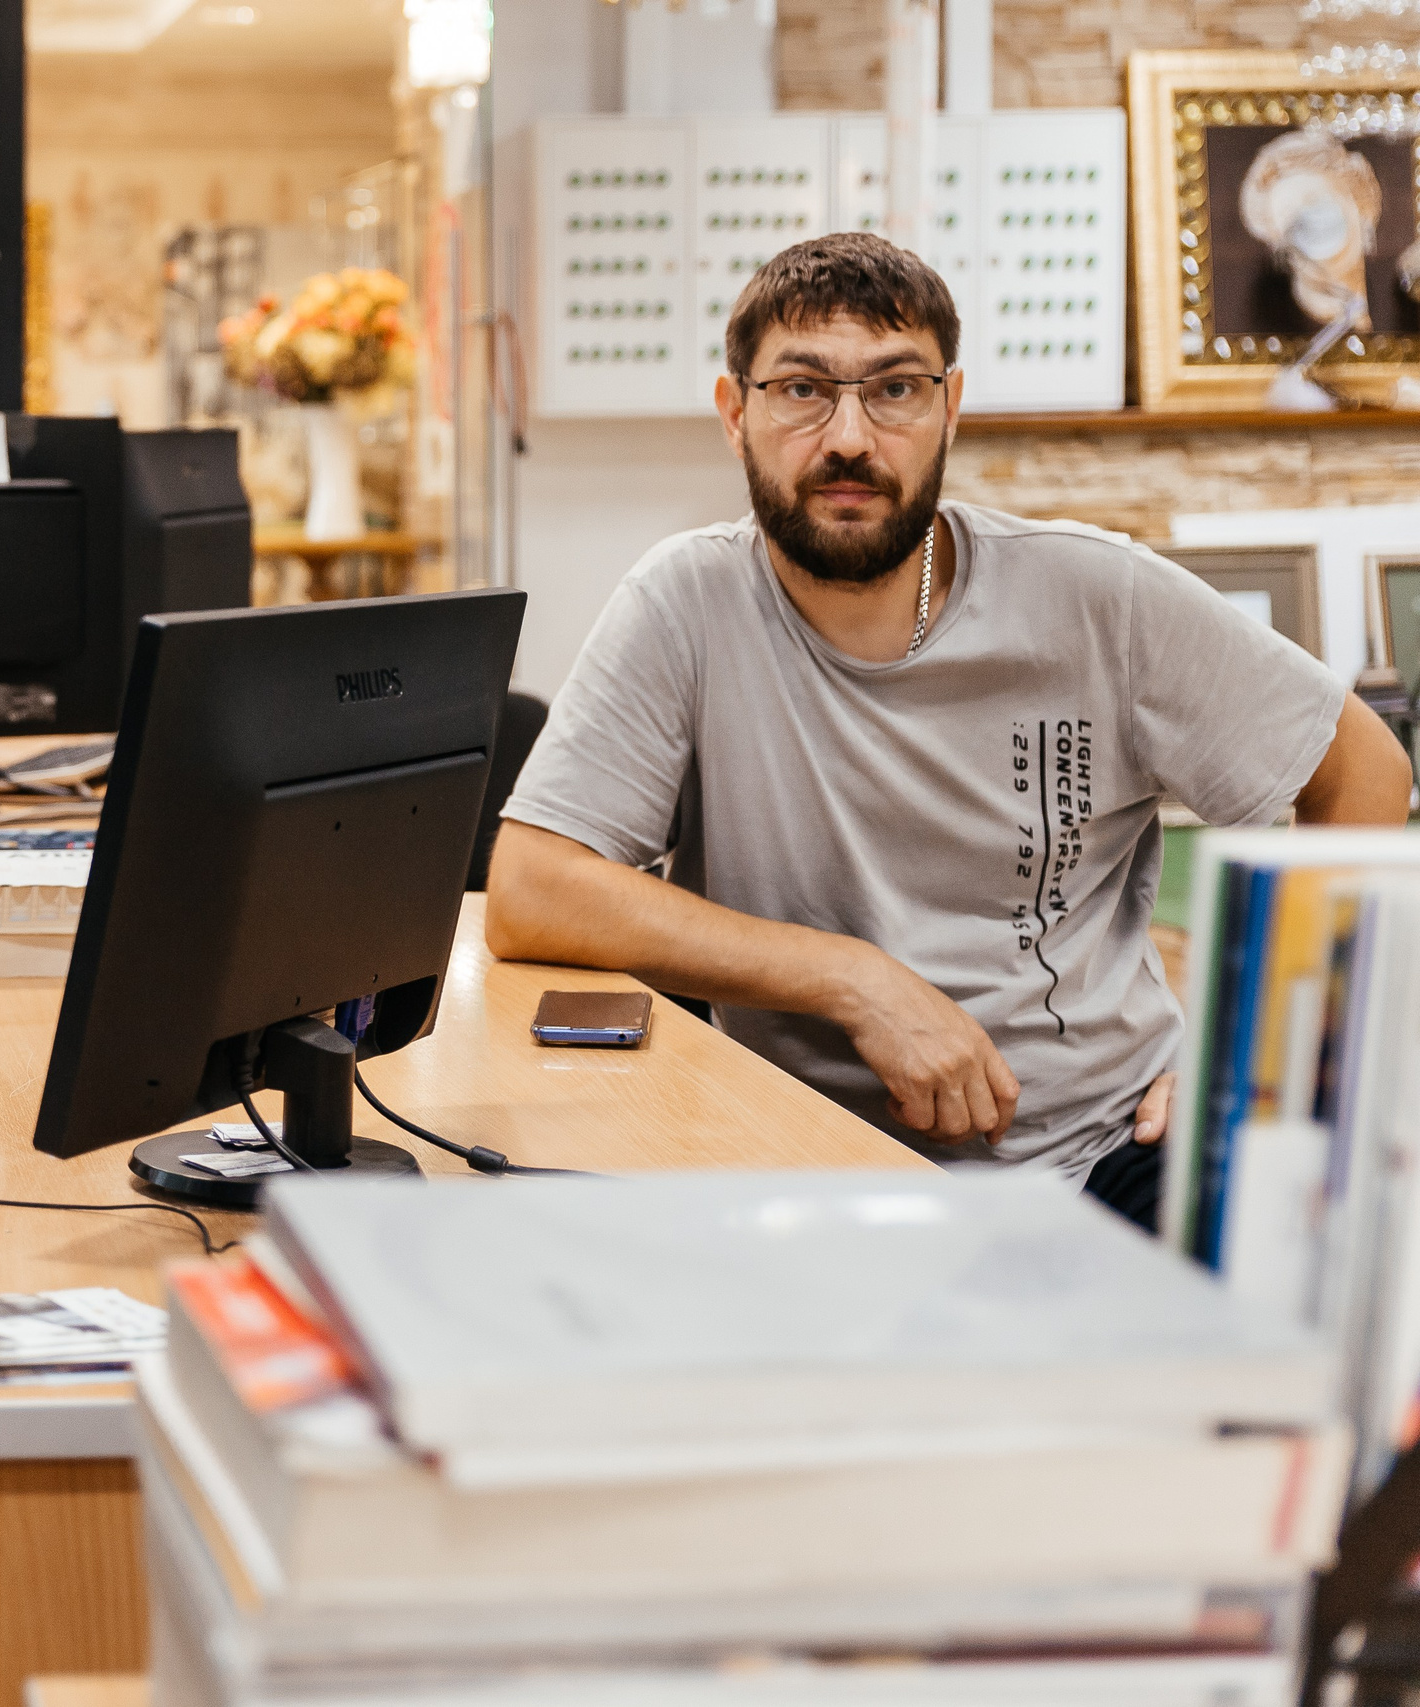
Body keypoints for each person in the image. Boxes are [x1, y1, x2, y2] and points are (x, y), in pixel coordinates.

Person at [486, 232, 1413, 1229]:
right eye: (802, 389)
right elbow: (534, 888)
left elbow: (1360, 769)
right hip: (797, 1163)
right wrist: (853, 980)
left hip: (1103, 1148)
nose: (848, 436)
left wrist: (1253, 1058)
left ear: (947, 409)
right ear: (734, 413)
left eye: (893, 389)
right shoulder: (685, 602)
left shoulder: (1093, 594)